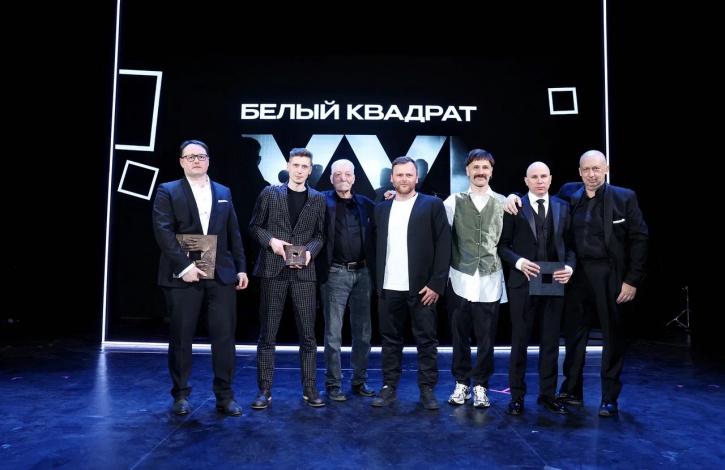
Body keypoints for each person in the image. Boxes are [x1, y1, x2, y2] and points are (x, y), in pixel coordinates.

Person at [503, 150, 649, 417]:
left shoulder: (624, 197)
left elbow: (639, 238)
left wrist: (632, 280)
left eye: (596, 168)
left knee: (612, 336)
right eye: (586, 170)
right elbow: (536, 195)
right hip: (574, 275)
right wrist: (512, 196)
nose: (591, 174)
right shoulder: (569, 193)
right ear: (579, 172)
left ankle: (608, 397)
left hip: (609, 274)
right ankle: (571, 390)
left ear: (606, 169)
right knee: (573, 335)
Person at [152, 139, 249, 417]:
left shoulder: (223, 191)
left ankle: (225, 396)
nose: (196, 160)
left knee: (224, 337)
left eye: (201, 156)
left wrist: (241, 267)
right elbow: (163, 231)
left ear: (208, 160)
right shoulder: (168, 190)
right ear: (181, 162)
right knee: (181, 336)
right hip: (183, 274)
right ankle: (181, 395)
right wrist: (185, 266)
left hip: (221, 273)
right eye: (190, 156)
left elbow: (233, 232)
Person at [248, 147, 327, 408]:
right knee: (268, 334)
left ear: (310, 170)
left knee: (308, 335)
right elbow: (254, 226)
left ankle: (310, 388)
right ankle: (264, 390)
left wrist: (310, 252)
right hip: (273, 270)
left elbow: (320, 235)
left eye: (305, 167)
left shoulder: (317, 199)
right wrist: (271, 241)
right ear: (288, 166)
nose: (300, 171)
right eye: (296, 165)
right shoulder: (270, 193)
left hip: (304, 272)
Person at [370, 156, 451, 410]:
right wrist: (377, 284)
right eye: (399, 175)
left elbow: (444, 245)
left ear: (417, 178)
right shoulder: (381, 208)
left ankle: (427, 389)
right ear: (391, 178)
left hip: (422, 288)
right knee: (389, 341)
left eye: (409, 175)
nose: (404, 179)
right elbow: (373, 247)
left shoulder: (432, 205)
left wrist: (437, 283)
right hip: (389, 287)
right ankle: (389, 386)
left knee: (426, 341)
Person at [497, 161, 575, 415]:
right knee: (519, 341)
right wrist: (519, 262)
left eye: (543, 176)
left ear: (550, 179)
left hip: (553, 278)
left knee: (550, 341)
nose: (540, 181)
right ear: (526, 180)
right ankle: (517, 396)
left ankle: (547, 394)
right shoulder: (514, 206)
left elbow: (571, 246)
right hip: (523, 281)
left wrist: (570, 267)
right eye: (534, 177)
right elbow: (503, 246)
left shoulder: (563, 206)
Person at [442, 149, 507, 409]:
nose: (480, 172)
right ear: (467, 171)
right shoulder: (453, 201)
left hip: (491, 278)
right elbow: (440, 237)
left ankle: (481, 385)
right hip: (460, 278)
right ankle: (462, 383)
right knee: (459, 337)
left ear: (491, 171)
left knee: (486, 339)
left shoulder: (504, 202)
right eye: (476, 167)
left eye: (485, 167)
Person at [315, 159, 377, 401]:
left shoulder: (366, 204)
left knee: (363, 334)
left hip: (363, 274)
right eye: (338, 174)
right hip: (335, 274)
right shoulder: (320, 201)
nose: (343, 178)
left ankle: (359, 381)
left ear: (354, 178)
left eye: (347, 174)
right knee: (333, 334)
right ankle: (333, 384)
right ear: (331, 178)